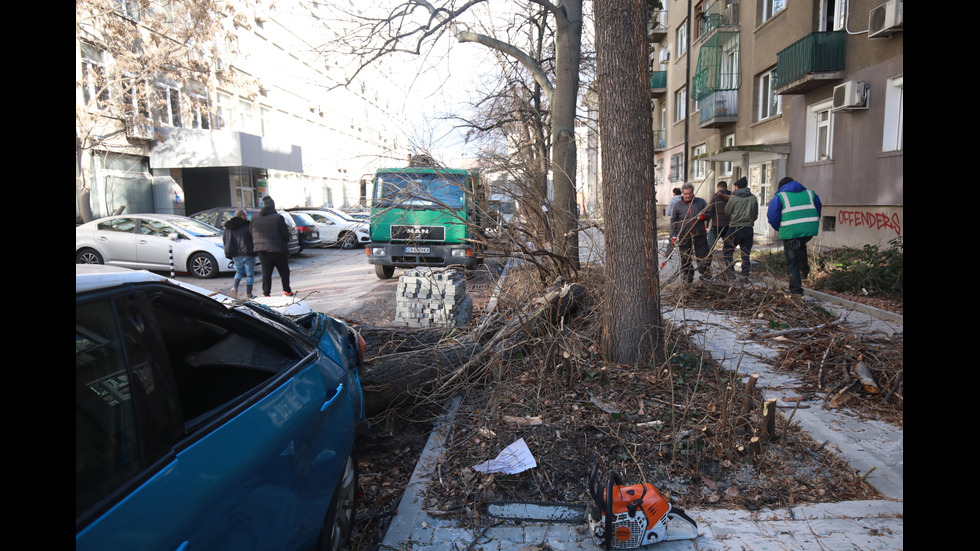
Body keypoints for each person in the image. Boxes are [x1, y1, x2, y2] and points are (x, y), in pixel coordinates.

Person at [767, 177, 822, 295]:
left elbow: (772, 217)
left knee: (792, 262)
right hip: (808, 231)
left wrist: (781, 229)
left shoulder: (780, 197)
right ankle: (804, 270)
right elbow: (818, 209)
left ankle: (796, 291)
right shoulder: (810, 194)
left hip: (790, 233)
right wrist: (809, 225)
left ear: (781, 187)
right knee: (800, 244)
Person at [251, 196, 294, 297]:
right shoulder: (278, 218)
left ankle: (266, 293)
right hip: (278, 250)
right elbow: (285, 234)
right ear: (273, 206)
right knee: (284, 271)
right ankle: (287, 291)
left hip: (261, 250)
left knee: (266, 272)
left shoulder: (254, 217)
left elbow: (251, 232)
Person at [670, 183, 710, 283]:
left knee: (702, 257)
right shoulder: (677, 205)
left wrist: (704, 217)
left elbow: (710, 213)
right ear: (682, 194)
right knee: (685, 258)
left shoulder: (700, 202)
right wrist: (673, 236)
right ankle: (688, 278)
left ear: (693, 193)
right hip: (684, 236)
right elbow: (673, 221)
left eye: (690, 193)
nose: (688, 196)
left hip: (699, 234)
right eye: (685, 194)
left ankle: (705, 277)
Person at [722, 177, 759, 282]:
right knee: (746, 253)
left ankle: (731, 274)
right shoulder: (753, 198)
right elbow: (755, 214)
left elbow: (727, 211)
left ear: (736, 187)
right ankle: (745, 276)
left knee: (728, 251)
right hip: (748, 228)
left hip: (735, 228)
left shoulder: (734, 198)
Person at [223, 209, 256, 299]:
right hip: (248, 252)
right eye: (245, 215)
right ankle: (249, 294)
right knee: (249, 274)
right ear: (242, 216)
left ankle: (234, 288)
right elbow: (254, 237)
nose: (246, 217)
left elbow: (225, 239)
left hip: (235, 253)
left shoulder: (228, 227)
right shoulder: (248, 225)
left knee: (238, 272)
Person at [705, 181, 731, 273]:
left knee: (709, 248)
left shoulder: (715, 197)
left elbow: (709, 210)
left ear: (718, 188)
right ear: (726, 187)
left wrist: (706, 222)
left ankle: (706, 270)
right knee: (728, 250)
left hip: (716, 226)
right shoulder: (732, 196)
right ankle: (730, 272)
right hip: (729, 226)